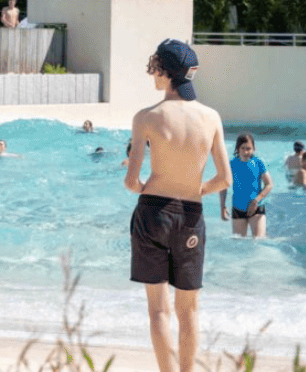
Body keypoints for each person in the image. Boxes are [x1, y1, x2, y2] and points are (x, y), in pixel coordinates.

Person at [125, 39, 232, 372]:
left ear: (164, 72)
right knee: (190, 310)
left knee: (159, 309)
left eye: (155, 68)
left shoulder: (146, 117)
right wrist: (196, 189)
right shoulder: (211, 117)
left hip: (153, 212)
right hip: (190, 215)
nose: (152, 74)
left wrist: (147, 189)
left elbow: (131, 182)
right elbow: (225, 179)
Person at [220, 133, 273, 238]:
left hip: (256, 208)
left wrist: (256, 200)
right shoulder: (231, 164)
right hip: (238, 209)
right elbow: (223, 186)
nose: (245, 152)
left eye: (249, 148)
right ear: (237, 149)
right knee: (238, 244)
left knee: (259, 241)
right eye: (243, 148)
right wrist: (223, 206)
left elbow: (269, 184)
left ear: (254, 149)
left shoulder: (258, 163)